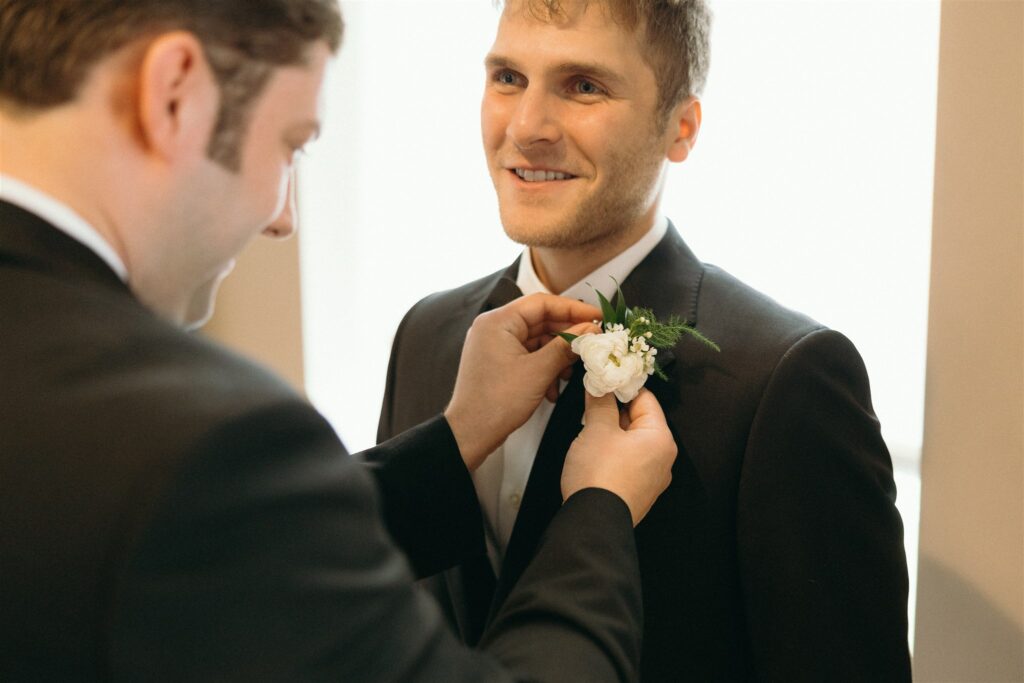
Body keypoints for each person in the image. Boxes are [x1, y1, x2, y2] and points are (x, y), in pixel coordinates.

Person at [0, 1, 680, 680]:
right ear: (174, 91)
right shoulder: (204, 438)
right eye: (289, 144)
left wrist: (455, 438)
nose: (284, 218)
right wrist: (600, 509)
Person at [377, 0, 913, 680]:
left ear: (681, 129)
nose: (526, 126)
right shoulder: (425, 333)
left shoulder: (784, 378)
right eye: (508, 76)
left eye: (584, 86)